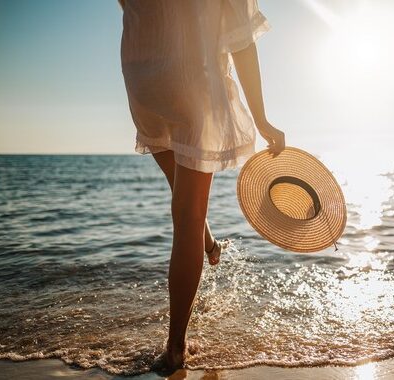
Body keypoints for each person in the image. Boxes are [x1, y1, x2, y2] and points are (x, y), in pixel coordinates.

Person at [118, 0, 284, 369]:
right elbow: (242, 40)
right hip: (191, 80)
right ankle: (176, 347)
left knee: (181, 192)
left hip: (142, 79)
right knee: (188, 217)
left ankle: (207, 239)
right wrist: (262, 119)